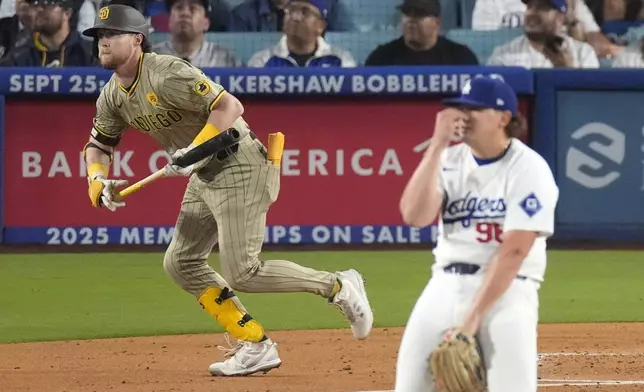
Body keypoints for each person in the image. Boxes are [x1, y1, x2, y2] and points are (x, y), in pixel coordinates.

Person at [81, 3, 373, 377]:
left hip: (239, 161)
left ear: (137, 40)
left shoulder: (166, 72)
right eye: (99, 36)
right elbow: (99, 145)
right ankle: (255, 344)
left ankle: (339, 286)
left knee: (242, 272)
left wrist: (193, 148)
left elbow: (228, 105)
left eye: (112, 34)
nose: (103, 42)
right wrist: (97, 179)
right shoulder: (112, 95)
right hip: (204, 175)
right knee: (180, 263)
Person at [395, 75, 559, 392]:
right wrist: (437, 145)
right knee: (411, 385)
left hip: (508, 294)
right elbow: (415, 216)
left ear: (504, 118)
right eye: (461, 108)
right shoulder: (449, 159)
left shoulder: (529, 168)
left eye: (475, 109)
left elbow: (514, 252)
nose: (463, 115)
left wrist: (471, 320)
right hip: (444, 286)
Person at [487, 0, 599, 68]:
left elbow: (588, 101)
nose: (532, 13)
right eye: (530, 6)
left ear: (559, 18)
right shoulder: (503, 55)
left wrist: (567, 72)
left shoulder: (583, 54)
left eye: (542, 7)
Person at [364, 0, 478, 66]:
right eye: (407, 13)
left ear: (437, 22)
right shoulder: (382, 58)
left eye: (420, 14)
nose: (411, 20)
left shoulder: (460, 57)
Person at [247, 0, 355, 67]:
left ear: (320, 26)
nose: (296, 17)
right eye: (291, 10)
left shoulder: (340, 61)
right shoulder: (262, 61)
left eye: (305, 12)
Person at [0, 0, 94, 66]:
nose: (39, 9)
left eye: (48, 3)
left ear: (67, 13)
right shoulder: (18, 57)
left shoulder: (90, 54)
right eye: (36, 3)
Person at [152, 0, 241, 67]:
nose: (185, 13)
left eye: (193, 9)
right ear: (169, 20)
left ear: (206, 23)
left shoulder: (226, 60)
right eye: (179, 8)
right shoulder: (149, 58)